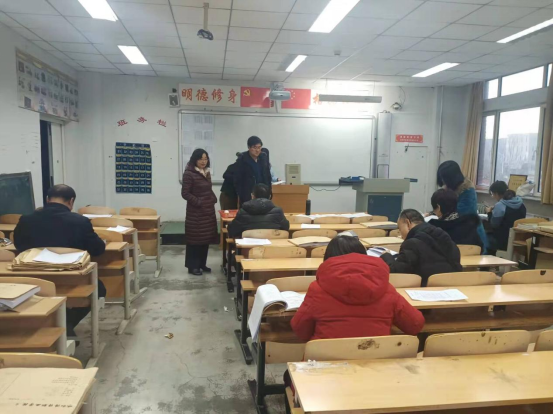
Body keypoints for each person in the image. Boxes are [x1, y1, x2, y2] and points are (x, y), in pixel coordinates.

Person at [291, 235, 425, 342]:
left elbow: (300, 331)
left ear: (328, 259)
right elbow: (415, 325)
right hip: (375, 363)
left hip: (326, 364)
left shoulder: (317, 290)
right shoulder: (386, 289)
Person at [14, 184, 106, 337]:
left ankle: (52, 324)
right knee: (99, 289)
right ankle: (66, 323)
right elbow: (97, 250)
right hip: (70, 280)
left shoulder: (26, 220)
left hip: (33, 280)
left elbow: (19, 247)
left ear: (47, 199)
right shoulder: (80, 221)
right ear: (71, 201)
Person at [380, 209, 462, 287]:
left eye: (400, 229)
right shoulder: (444, 236)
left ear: (408, 223)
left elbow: (397, 272)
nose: (401, 235)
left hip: (424, 289)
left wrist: (386, 256)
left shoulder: (411, 244)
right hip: (452, 287)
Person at [437, 160, 488, 253]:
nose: (443, 181)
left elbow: (463, 215)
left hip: (470, 235)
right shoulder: (451, 187)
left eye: (444, 178)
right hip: (458, 232)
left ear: (451, 177)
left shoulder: (467, 190)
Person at [181, 148, 218, 276]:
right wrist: (198, 202)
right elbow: (185, 193)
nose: (203, 161)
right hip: (196, 212)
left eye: (205, 159)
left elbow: (208, 189)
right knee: (195, 240)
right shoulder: (189, 173)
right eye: (200, 159)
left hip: (208, 210)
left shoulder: (206, 172)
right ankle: (192, 267)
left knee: (205, 239)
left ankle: (202, 264)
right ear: (195, 159)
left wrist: (213, 198)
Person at [486, 181, 526, 251]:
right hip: (518, 240)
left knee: (482, 236)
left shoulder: (500, 205)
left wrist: (489, 212)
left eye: (493, 194)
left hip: (503, 241)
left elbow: (494, 225)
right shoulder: (521, 203)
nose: (493, 197)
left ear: (496, 193)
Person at [234, 136, 271, 207]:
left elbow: (267, 176)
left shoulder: (263, 159)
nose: (257, 150)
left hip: (263, 195)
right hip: (248, 196)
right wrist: (242, 194)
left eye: (259, 147)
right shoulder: (242, 160)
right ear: (249, 147)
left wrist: (268, 191)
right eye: (254, 147)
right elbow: (237, 180)